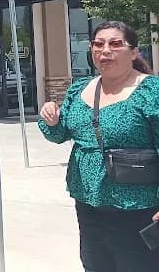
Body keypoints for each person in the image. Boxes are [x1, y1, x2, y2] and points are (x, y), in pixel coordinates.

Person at [39, 20, 159, 272]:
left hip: (138, 207)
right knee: (95, 265)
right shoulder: (80, 90)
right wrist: (51, 119)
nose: (105, 51)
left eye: (115, 44)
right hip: (89, 203)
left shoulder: (151, 91)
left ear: (134, 52)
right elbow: (60, 134)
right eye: (98, 44)